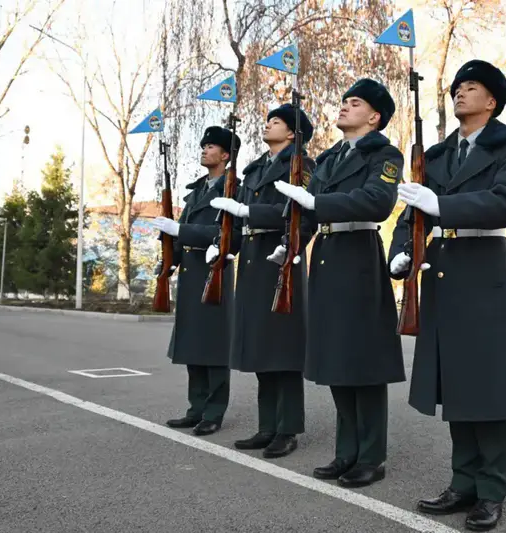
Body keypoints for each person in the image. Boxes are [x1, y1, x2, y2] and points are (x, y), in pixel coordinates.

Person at [388, 60, 506, 531]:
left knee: (487, 385)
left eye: (470, 88)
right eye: (456, 88)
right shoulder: (433, 157)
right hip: (443, 269)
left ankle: (491, 490)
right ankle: (463, 483)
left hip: (484, 265)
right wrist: (401, 254)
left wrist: (444, 204)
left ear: (491, 101)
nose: (460, 93)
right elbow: (413, 214)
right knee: (456, 381)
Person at [270, 78, 405, 487]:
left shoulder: (384, 153)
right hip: (326, 258)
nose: (344, 107)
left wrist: (317, 203)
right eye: (344, 100)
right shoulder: (329, 158)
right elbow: (307, 212)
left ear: (374, 116)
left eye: (355, 102)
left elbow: (378, 202)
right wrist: (291, 245)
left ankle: (371, 456)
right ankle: (346, 451)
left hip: (358, 254)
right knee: (337, 360)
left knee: (363, 362)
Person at [207, 104, 316, 458]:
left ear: (293, 133)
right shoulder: (253, 169)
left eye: (277, 121)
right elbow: (234, 221)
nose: (268, 124)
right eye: (269, 119)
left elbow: (301, 213)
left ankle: (287, 429)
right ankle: (266, 425)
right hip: (254, 261)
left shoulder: (303, 167)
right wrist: (221, 247)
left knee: (283, 352)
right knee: (261, 350)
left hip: (279, 259)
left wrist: (250, 213)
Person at [151, 125, 241, 437]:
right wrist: (168, 262)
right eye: (203, 145)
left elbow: (229, 235)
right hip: (191, 274)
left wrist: (181, 232)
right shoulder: (197, 190)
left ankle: (214, 412)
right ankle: (196, 408)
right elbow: (179, 233)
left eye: (211, 146)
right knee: (193, 346)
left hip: (213, 271)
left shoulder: (234, 190)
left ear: (226, 155)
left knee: (214, 347)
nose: (204, 150)